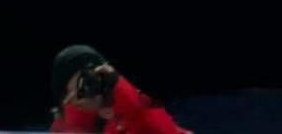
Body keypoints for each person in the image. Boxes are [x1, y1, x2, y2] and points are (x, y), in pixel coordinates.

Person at [51, 46, 191, 133]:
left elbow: (151, 124)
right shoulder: (101, 119)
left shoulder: (136, 107)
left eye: (86, 84)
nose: (71, 100)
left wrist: (116, 87)